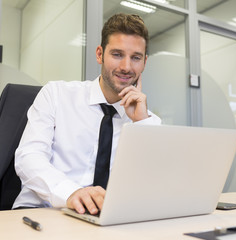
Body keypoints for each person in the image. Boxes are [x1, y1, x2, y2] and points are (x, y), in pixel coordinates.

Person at [12, 13, 161, 214]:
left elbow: (155, 186)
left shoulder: (147, 120)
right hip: (44, 210)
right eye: (117, 54)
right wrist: (71, 192)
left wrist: (141, 124)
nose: (126, 67)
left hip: (105, 219)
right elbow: (28, 157)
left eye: (135, 58)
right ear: (100, 54)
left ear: (144, 62)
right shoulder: (56, 94)